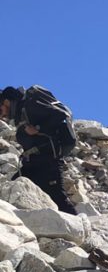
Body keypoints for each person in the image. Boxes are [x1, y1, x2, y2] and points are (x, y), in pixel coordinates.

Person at [0, 86, 77, 214]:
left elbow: (61, 114)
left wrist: (38, 128)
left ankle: (80, 228)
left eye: (0, 110)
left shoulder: (31, 105)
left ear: (7, 101)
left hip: (48, 160)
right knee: (13, 189)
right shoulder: (21, 112)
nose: (2, 115)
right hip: (32, 162)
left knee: (57, 197)